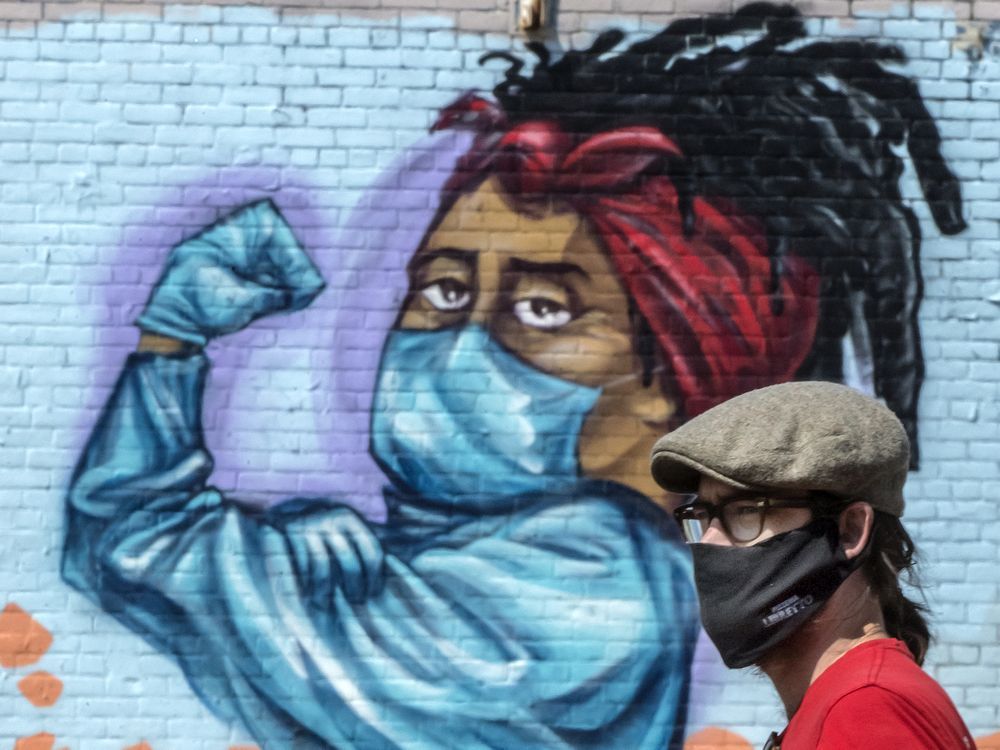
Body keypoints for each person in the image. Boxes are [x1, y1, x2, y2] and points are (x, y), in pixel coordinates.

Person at [62, 4, 964, 748]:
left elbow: (149, 551)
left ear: (663, 392)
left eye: (544, 309)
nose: (715, 548)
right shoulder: (839, 706)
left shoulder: (586, 597)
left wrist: (173, 344)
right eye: (445, 288)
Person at [650, 381, 976, 749]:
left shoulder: (865, 712)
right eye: (702, 516)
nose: (708, 541)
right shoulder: (847, 701)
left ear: (850, 532)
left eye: (744, 512)